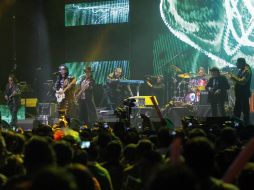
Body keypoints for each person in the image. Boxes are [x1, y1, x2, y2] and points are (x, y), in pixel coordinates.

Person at [229, 58, 252, 124]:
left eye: (237, 63)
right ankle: (237, 125)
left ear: (242, 63)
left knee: (245, 111)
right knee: (237, 111)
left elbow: (243, 82)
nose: (236, 64)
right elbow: (238, 79)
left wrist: (232, 77)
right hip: (239, 94)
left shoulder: (247, 71)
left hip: (243, 94)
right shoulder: (242, 69)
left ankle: (246, 127)